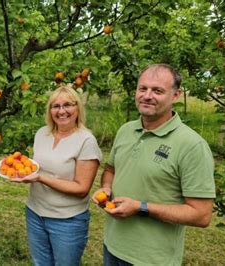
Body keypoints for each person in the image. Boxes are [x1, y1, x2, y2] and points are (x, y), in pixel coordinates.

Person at [92, 64, 216, 265]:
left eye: (157, 90)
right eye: (143, 88)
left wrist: (141, 207)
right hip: (112, 245)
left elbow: (201, 215)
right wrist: (106, 188)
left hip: (151, 258)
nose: (147, 96)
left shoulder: (192, 145)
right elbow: (110, 169)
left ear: (176, 95)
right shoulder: (126, 130)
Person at [15, 86, 102, 266]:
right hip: (35, 213)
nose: (61, 111)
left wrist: (40, 178)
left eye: (67, 105)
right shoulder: (41, 133)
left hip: (67, 220)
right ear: (50, 110)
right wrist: (23, 171)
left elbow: (81, 188)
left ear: (77, 108)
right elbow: (37, 166)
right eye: (55, 106)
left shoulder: (86, 141)